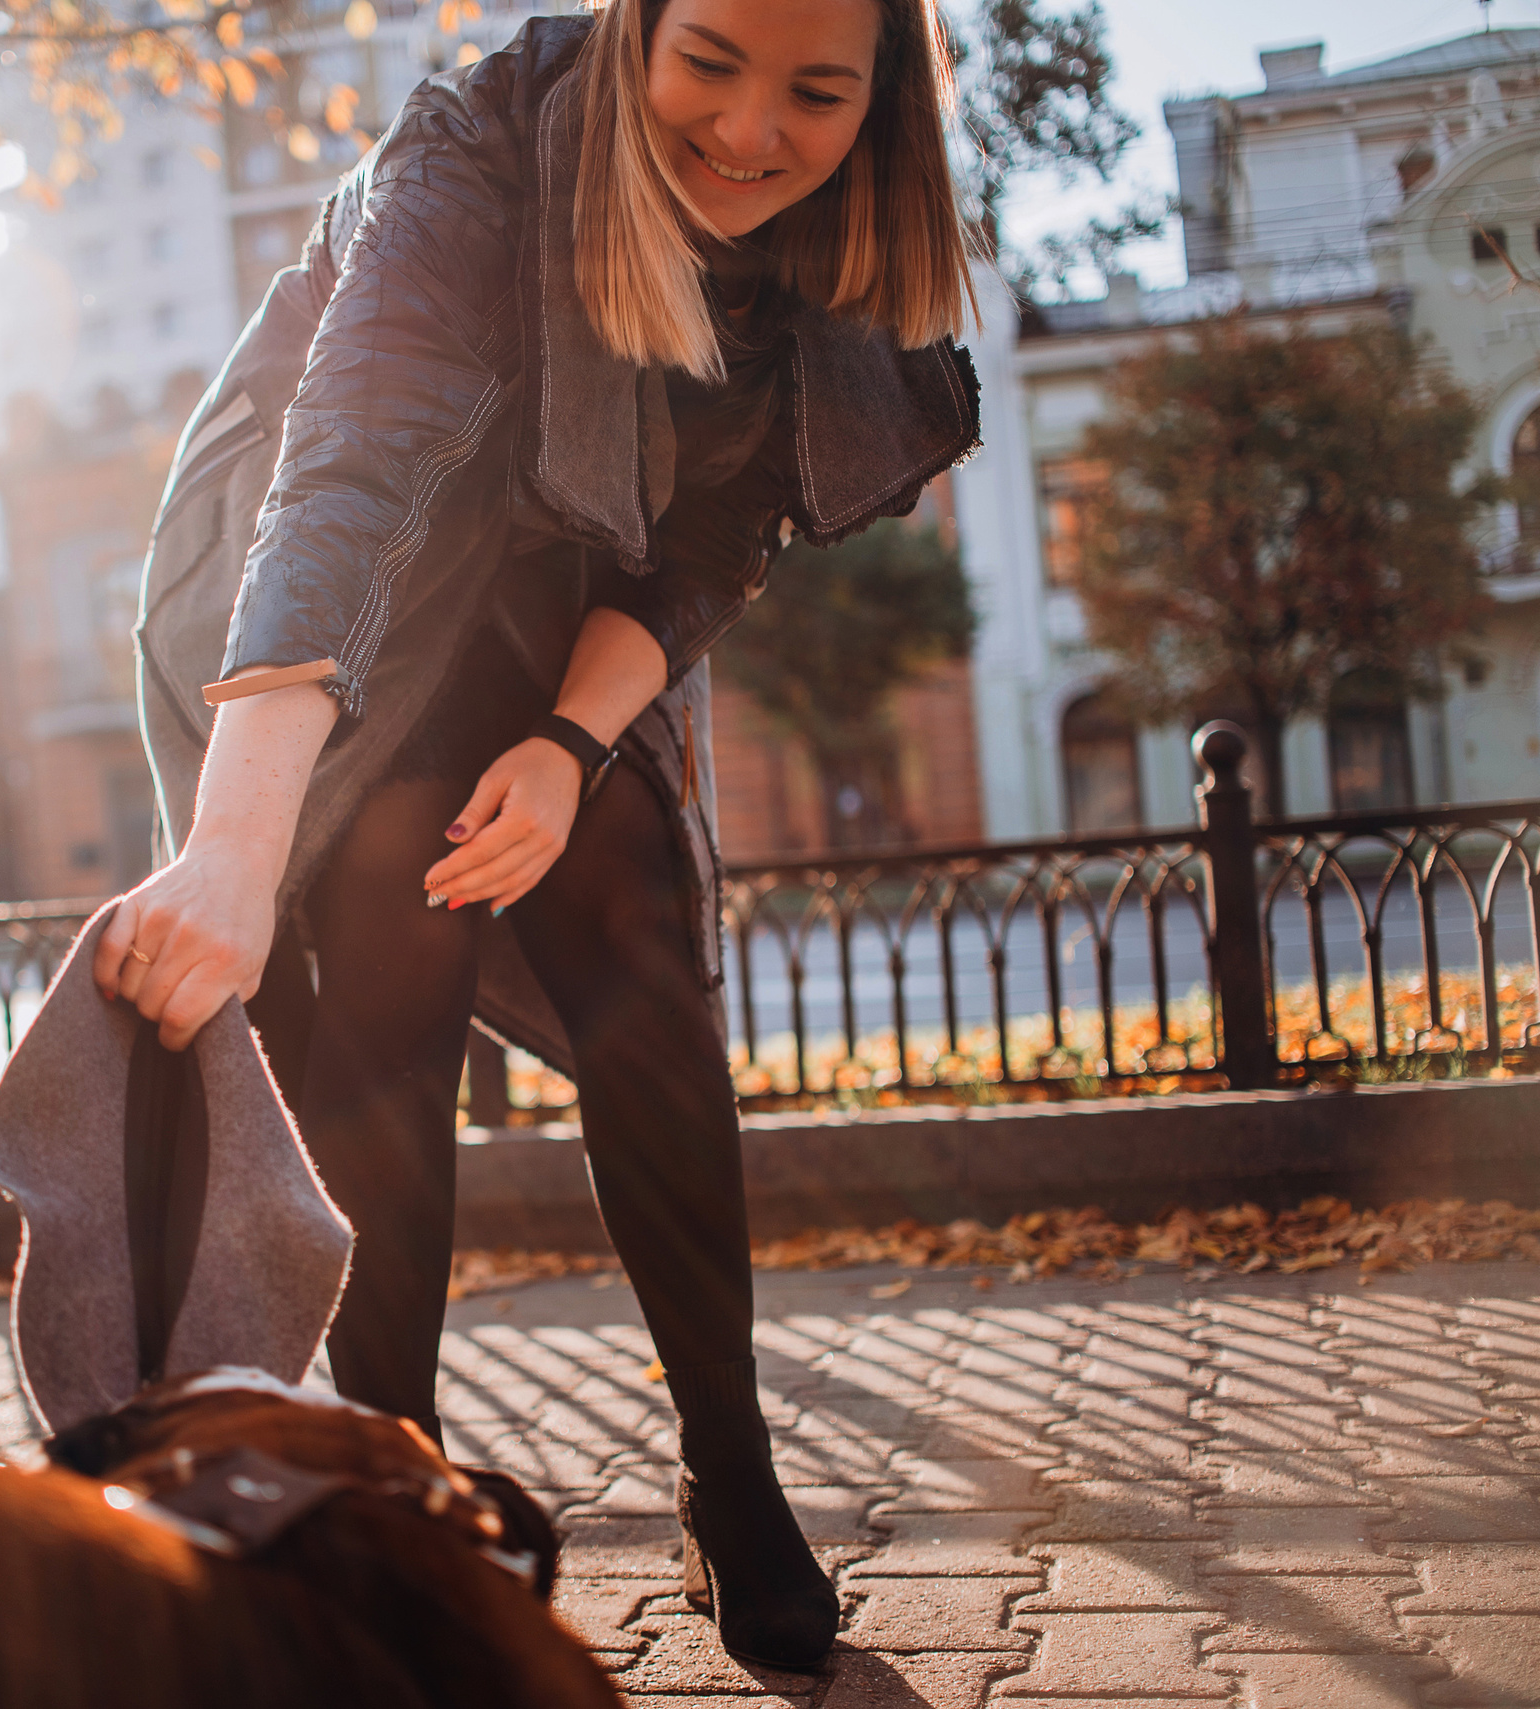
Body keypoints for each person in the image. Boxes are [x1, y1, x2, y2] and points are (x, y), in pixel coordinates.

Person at [96, 0, 980, 1672]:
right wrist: (228, 850)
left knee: (638, 919)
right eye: (709, 57)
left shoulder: (852, 255)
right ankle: (397, 1489)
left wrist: (575, 748)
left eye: (816, 90)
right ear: (637, 21)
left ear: (883, 104)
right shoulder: (481, 151)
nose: (746, 132)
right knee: (388, 912)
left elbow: (724, 528)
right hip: (338, 570)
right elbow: (349, 477)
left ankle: (735, 1474)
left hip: (579, 587)